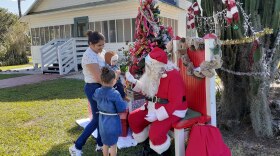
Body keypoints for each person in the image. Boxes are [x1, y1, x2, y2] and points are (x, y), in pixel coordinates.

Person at [125, 47, 188, 155]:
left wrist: (158, 115)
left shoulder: (173, 76)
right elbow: (144, 89)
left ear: (157, 65)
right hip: (153, 106)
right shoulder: (153, 72)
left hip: (173, 110)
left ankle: (163, 153)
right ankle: (148, 148)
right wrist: (134, 81)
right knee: (134, 118)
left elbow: (175, 102)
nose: (147, 68)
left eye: (149, 65)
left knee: (156, 132)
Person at [69, 30, 105, 156]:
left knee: (101, 116)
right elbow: (98, 77)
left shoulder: (99, 53)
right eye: (99, 45)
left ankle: (100, 144)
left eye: (103, 45)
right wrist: (111, 85)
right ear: (91, 44)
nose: (101, 47)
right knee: (97, 118)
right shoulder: (88, 55)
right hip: (93, 87)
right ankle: (76, 146)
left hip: (101, 86)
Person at [93, 67, 127, 156]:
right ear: (113, 81)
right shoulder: (115, 94)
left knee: (105, 143)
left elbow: (94, 97)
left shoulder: (97, 91)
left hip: (102, 122)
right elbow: (121, 108)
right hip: (113, 123)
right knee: (113, 145)